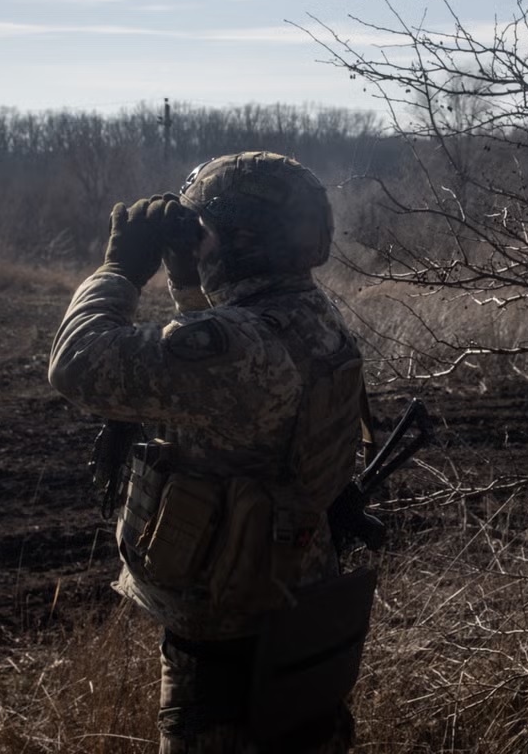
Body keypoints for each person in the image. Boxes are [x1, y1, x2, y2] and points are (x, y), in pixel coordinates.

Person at [48, 152, 371, 753]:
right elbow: (219, 370)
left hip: (227, 638)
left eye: (205, 232)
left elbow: (77, 366)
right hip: (295, 603)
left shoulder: (243, 344)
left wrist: (119, 268)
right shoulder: (307, 317)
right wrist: (185, 280)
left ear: (239, 239)